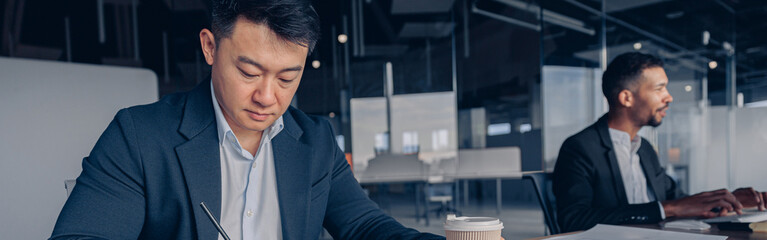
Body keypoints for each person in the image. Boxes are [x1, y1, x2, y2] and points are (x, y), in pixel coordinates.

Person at [50, 1, 443, 239]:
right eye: (249, 72)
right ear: (209, 47)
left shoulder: (316, 141)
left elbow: (365, 228)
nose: (268, 97)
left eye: (288, 78)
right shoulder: (139, 136)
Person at [552, 52, 767, 232]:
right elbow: (573, 220)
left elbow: (679, 201)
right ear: (626, 98)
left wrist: (727, 201)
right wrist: (667, 209)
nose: (669, 97)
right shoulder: (580, 148)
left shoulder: (644, 149)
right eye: (659, 89)